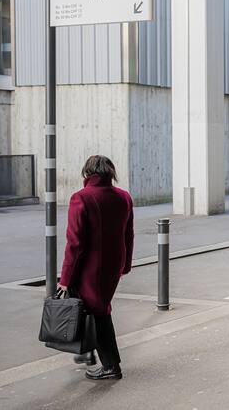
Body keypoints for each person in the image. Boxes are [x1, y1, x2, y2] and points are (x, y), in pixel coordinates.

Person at [57, 155, 134, 380]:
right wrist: (126, 264)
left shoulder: (81, 198)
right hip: (113, 264)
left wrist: (65, 278)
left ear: (87, 173)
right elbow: (128, 235)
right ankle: (89, 354)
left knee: (99, 311)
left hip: (90, 267)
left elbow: (75, 243)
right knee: (95, 308)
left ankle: (110, 366)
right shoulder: (124, 197)